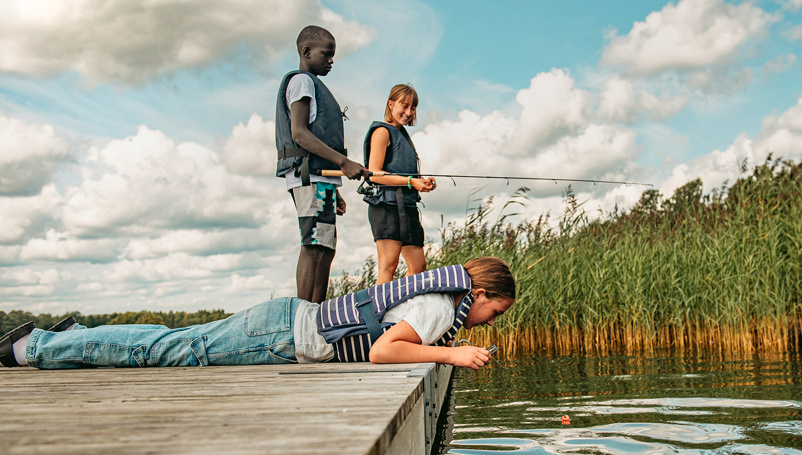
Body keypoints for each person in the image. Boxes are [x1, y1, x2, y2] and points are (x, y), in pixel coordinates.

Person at [1, 257, 515, 370]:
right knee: (162, 351)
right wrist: (455, 357)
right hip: (280, 337)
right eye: (496, 310)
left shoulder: (435, 302)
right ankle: (38, 347)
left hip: (286, 323)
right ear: (481, 291)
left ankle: (77, 334)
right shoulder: (434, 305)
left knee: (172, 336)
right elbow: (384, 351)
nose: (491, 321)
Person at [276, 25, 367, 303]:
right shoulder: (302, 81)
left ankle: (317, 314)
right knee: (314, 245)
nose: (331, 61)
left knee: (326, 247)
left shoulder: (311, 83)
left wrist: (334, 186)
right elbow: (299, 133)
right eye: (326, 54)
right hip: (307, 177)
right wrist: (343, 162)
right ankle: (303, 315)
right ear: (306, 52)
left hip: (320, 178)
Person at [359, 84, 437, 284]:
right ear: (391, 104)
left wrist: (421, 183)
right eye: (404, 106)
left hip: (407, 207)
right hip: (386, 207)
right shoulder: (383, 132)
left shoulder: (402, 134)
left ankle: (399, 307)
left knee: (418, 267)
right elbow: (374, 175)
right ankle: (379, 313)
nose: (409, 112)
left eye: (413, 108)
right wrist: (411, 181)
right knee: (388, 265)